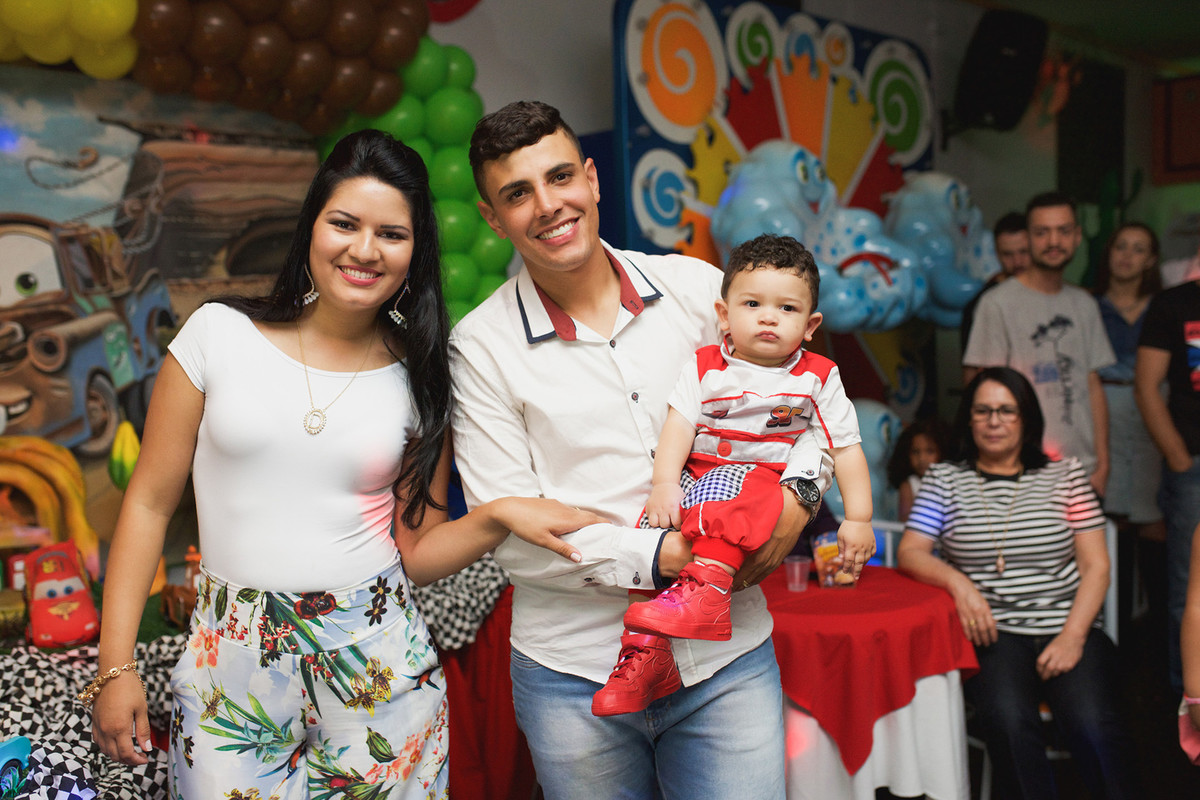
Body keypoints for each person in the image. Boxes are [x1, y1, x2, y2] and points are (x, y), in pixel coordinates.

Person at [85, 130, 600, 799]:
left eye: (392, 234)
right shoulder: (217, 335)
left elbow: (417, 552)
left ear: (415, 251)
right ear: (312, 227)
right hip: (228, 664)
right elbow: (149, 503)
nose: (364, 249)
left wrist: (499, 515)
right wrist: (115, 664)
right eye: (345, 224)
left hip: (378, 666)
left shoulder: (422, 375)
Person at [450, 101, 830, 799]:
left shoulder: (696, 289)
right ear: (492, 218)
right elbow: (509, 530)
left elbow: (808, 406)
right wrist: (669, 557)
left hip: (726, 660)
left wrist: (799, 498)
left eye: (560, 177)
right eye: (517, 193)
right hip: (573, 675)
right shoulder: (480, 347)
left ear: (592, 179)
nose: (548, 205)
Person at [590, 233, 875, 716]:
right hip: (698, 476)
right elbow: (679, 427)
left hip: (760, 482)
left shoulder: (818, 376)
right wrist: (665, 485)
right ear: (724, 315)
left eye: (787, 308)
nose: (768, 317)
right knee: (650, 532)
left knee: (744, 492)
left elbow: (844, 448)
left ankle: (708, 594)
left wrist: (859, 518)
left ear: (810, 325)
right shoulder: (704, 365)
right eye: (752, 304)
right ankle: (646, 654)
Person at [897, 366, 1139, 799]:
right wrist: (960, 584)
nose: (994, 421)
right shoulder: (944, 479)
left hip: (1069, 625)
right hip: (993, 633)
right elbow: (911, 551)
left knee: (1092, 724)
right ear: (969, 419)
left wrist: (1072, 637)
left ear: (1026, 417)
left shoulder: (1066, 476)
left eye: (1007, 410)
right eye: (983, 410)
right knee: (1008, 723)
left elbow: (1097, 566)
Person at [963, 192, 1116, 496]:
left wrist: (1103, 463)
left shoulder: (1084, 304)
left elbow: (1093, 385)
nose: (1053, 241)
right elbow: (980, 389)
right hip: (1021, 471)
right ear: (1029, 238)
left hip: (1083, 470)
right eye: (1042, 232)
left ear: (1077, 236)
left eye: (1063, 231)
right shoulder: (997, 303)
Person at [1136, 269, 1200, 694]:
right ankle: (1190, 702)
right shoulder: (1173, 304)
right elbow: (1145, 387)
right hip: (1194, 465)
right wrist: (1178, 456)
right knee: (1190, 590)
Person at [959, 211, 1030, 348]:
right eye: (1007, 254)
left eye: (1024, 252)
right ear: (997, 253)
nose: (1017, 262)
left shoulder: (1050, 294)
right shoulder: (981, 304)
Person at [887, 417, 952, 522]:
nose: (922, 459)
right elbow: (905, 520)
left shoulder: (950, 481)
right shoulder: (909, 484)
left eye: (930, 451)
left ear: (942, 452)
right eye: (915, 452)